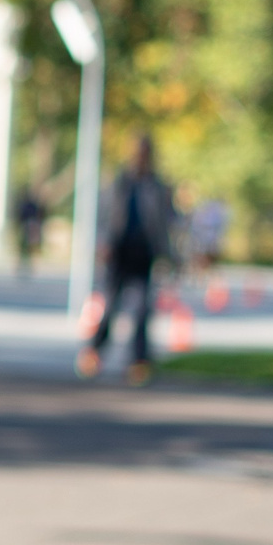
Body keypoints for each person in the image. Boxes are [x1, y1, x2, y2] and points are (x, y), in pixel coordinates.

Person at [81, 135, 174, 384]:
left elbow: (164, 223)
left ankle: (139, 361)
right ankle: (94, 351)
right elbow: (104, 215)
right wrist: (103, 242)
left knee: (142, 309)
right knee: (111, 305)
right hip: (119, 251)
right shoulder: (120, 181)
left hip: (144, 252)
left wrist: (166, 254)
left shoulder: (157, 186)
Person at [13, 186, 46, 279]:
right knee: (27, 249)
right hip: (29, 227)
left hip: (30, 227)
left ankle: (29, 268)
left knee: (30, 249)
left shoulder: (29, 205)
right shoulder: (31, 205)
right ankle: (23, 267)